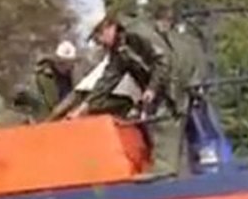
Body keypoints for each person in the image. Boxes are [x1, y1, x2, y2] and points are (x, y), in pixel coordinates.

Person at [68, 10, 184, 181]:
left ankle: (165, 170)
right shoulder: (119, 50)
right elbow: (107, 80)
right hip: (162, 80)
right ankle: (167, 168)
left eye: (98, 37)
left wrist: (152, 88)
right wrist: (84, 107)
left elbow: (163, 59)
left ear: (107, 27)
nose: (99, 43)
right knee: (153, 116)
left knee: (164, 118)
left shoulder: (138, 32)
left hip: (178, 75)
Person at [14, 41, 79, 121]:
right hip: (45, 121)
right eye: (62, 62)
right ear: (56, 60)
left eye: (69, 63)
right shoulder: (41, 77)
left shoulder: (73, 77)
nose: (67, 66)